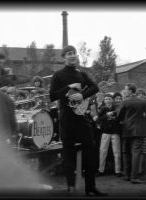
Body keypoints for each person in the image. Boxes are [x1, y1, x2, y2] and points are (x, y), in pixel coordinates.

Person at [49, 45, 106, 196]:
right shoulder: (58, 75)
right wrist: (69, 87)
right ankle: (71, 187)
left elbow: (95, 87)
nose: (72, 55)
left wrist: (83, 95)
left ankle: (90, 187)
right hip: (67, 120)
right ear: (63, 57)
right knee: (68, 154)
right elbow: (52, 96)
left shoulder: (82, 74)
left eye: (74, 53)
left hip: (82, 118)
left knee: (90, 149)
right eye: (69, 53)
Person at [118, 83, 146, 184]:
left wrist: (122, 121)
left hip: (126, 130)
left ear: (130, 91)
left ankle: (127, 175)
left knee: (126, 152)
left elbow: (119, 115)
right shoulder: (143, 102)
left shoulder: (124, 101)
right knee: (136, 153)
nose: (125, 91)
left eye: (126, 90)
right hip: (139, 131)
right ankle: (134, 177)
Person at [97, 93, 122, 177]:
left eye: (109, 99)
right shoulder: (102, 109)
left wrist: (114, 113)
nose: (108, 100)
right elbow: (98, 120)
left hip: (115, 132)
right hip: (105, 132)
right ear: (104, 101)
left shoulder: (117, 108)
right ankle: (101, 170)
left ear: (112, 100)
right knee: (102, 151)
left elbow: (119, 118)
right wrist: (106, 115)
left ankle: (118, 170)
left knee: (117, 152)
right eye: (106, 99)